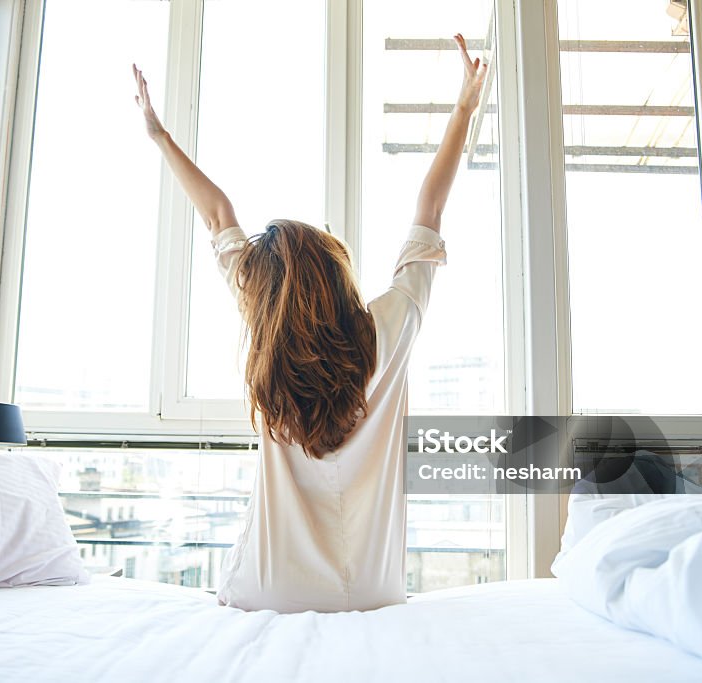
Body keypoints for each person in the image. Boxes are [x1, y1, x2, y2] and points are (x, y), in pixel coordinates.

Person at [132, 34, 488, 613]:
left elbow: (219, 215)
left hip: (272, 589)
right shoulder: (387, 330)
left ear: (267, 292)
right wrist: (465, 109)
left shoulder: (266, 334)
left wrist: (159, 135)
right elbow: (430, 209)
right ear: (335, 269)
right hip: (371, 591)